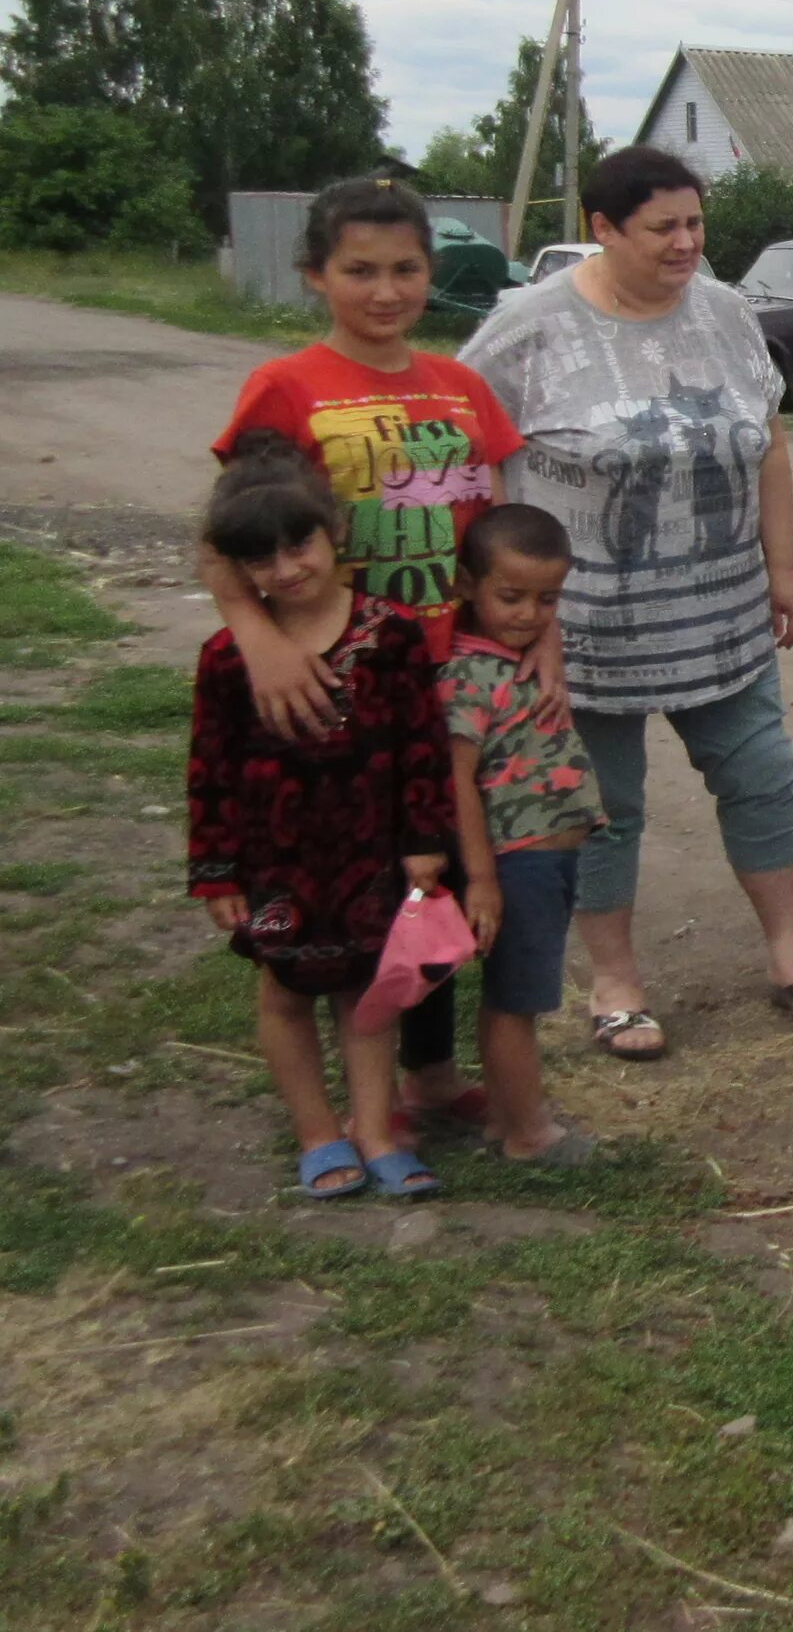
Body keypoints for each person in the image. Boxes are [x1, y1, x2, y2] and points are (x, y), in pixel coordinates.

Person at [462, 147, 793, 1059]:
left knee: (762, 779)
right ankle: (616, 981)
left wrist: (782, 568)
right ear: (602, 228)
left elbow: (765, 446)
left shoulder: (724, 315)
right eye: (663, 228)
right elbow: (470, 450)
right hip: (584, 632)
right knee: (606, 805)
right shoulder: (528, 327)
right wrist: (500, 604)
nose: (686, 244)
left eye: (695, 224)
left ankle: (791, 954)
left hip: (722, 616)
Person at [203, 176, 533, 1145]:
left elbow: (495, 544)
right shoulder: (286, 387)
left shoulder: (463, 386)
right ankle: (348, 1093)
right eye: (360, 272)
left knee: (430, 880)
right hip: (330, 685)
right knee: (347, 882)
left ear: (432, 274)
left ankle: (427, 1074)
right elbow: (231, 534)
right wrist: (260, 641)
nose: (385, 291)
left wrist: (527, 645)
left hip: (447, 679)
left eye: (405, 270)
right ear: (317, 275)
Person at [186, 436, 457, 1198]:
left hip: (371, 851)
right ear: (238, 569)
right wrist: (216, 872)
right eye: (261, 559)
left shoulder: (391, 634)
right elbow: (208, 769)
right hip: (274, 864)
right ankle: (317, 1134)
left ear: (333, 530)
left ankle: (375, 1129)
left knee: (366, 991)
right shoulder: (229, 658)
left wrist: (425, 841)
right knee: (284, 989)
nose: (288, 569)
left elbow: (422, 748)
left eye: (298, 543)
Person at [441, 504, 602, 1167]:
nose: (530, 614)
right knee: (517, 1000)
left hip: (548, 858)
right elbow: (457, 784)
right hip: (517, 861)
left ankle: (505, 1117)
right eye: (511, 597)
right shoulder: (466, 677)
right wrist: (480, 878)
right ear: (466, 587)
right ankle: (530, 1134)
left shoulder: (520, 660)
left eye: (547, 599)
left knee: (517, 994)